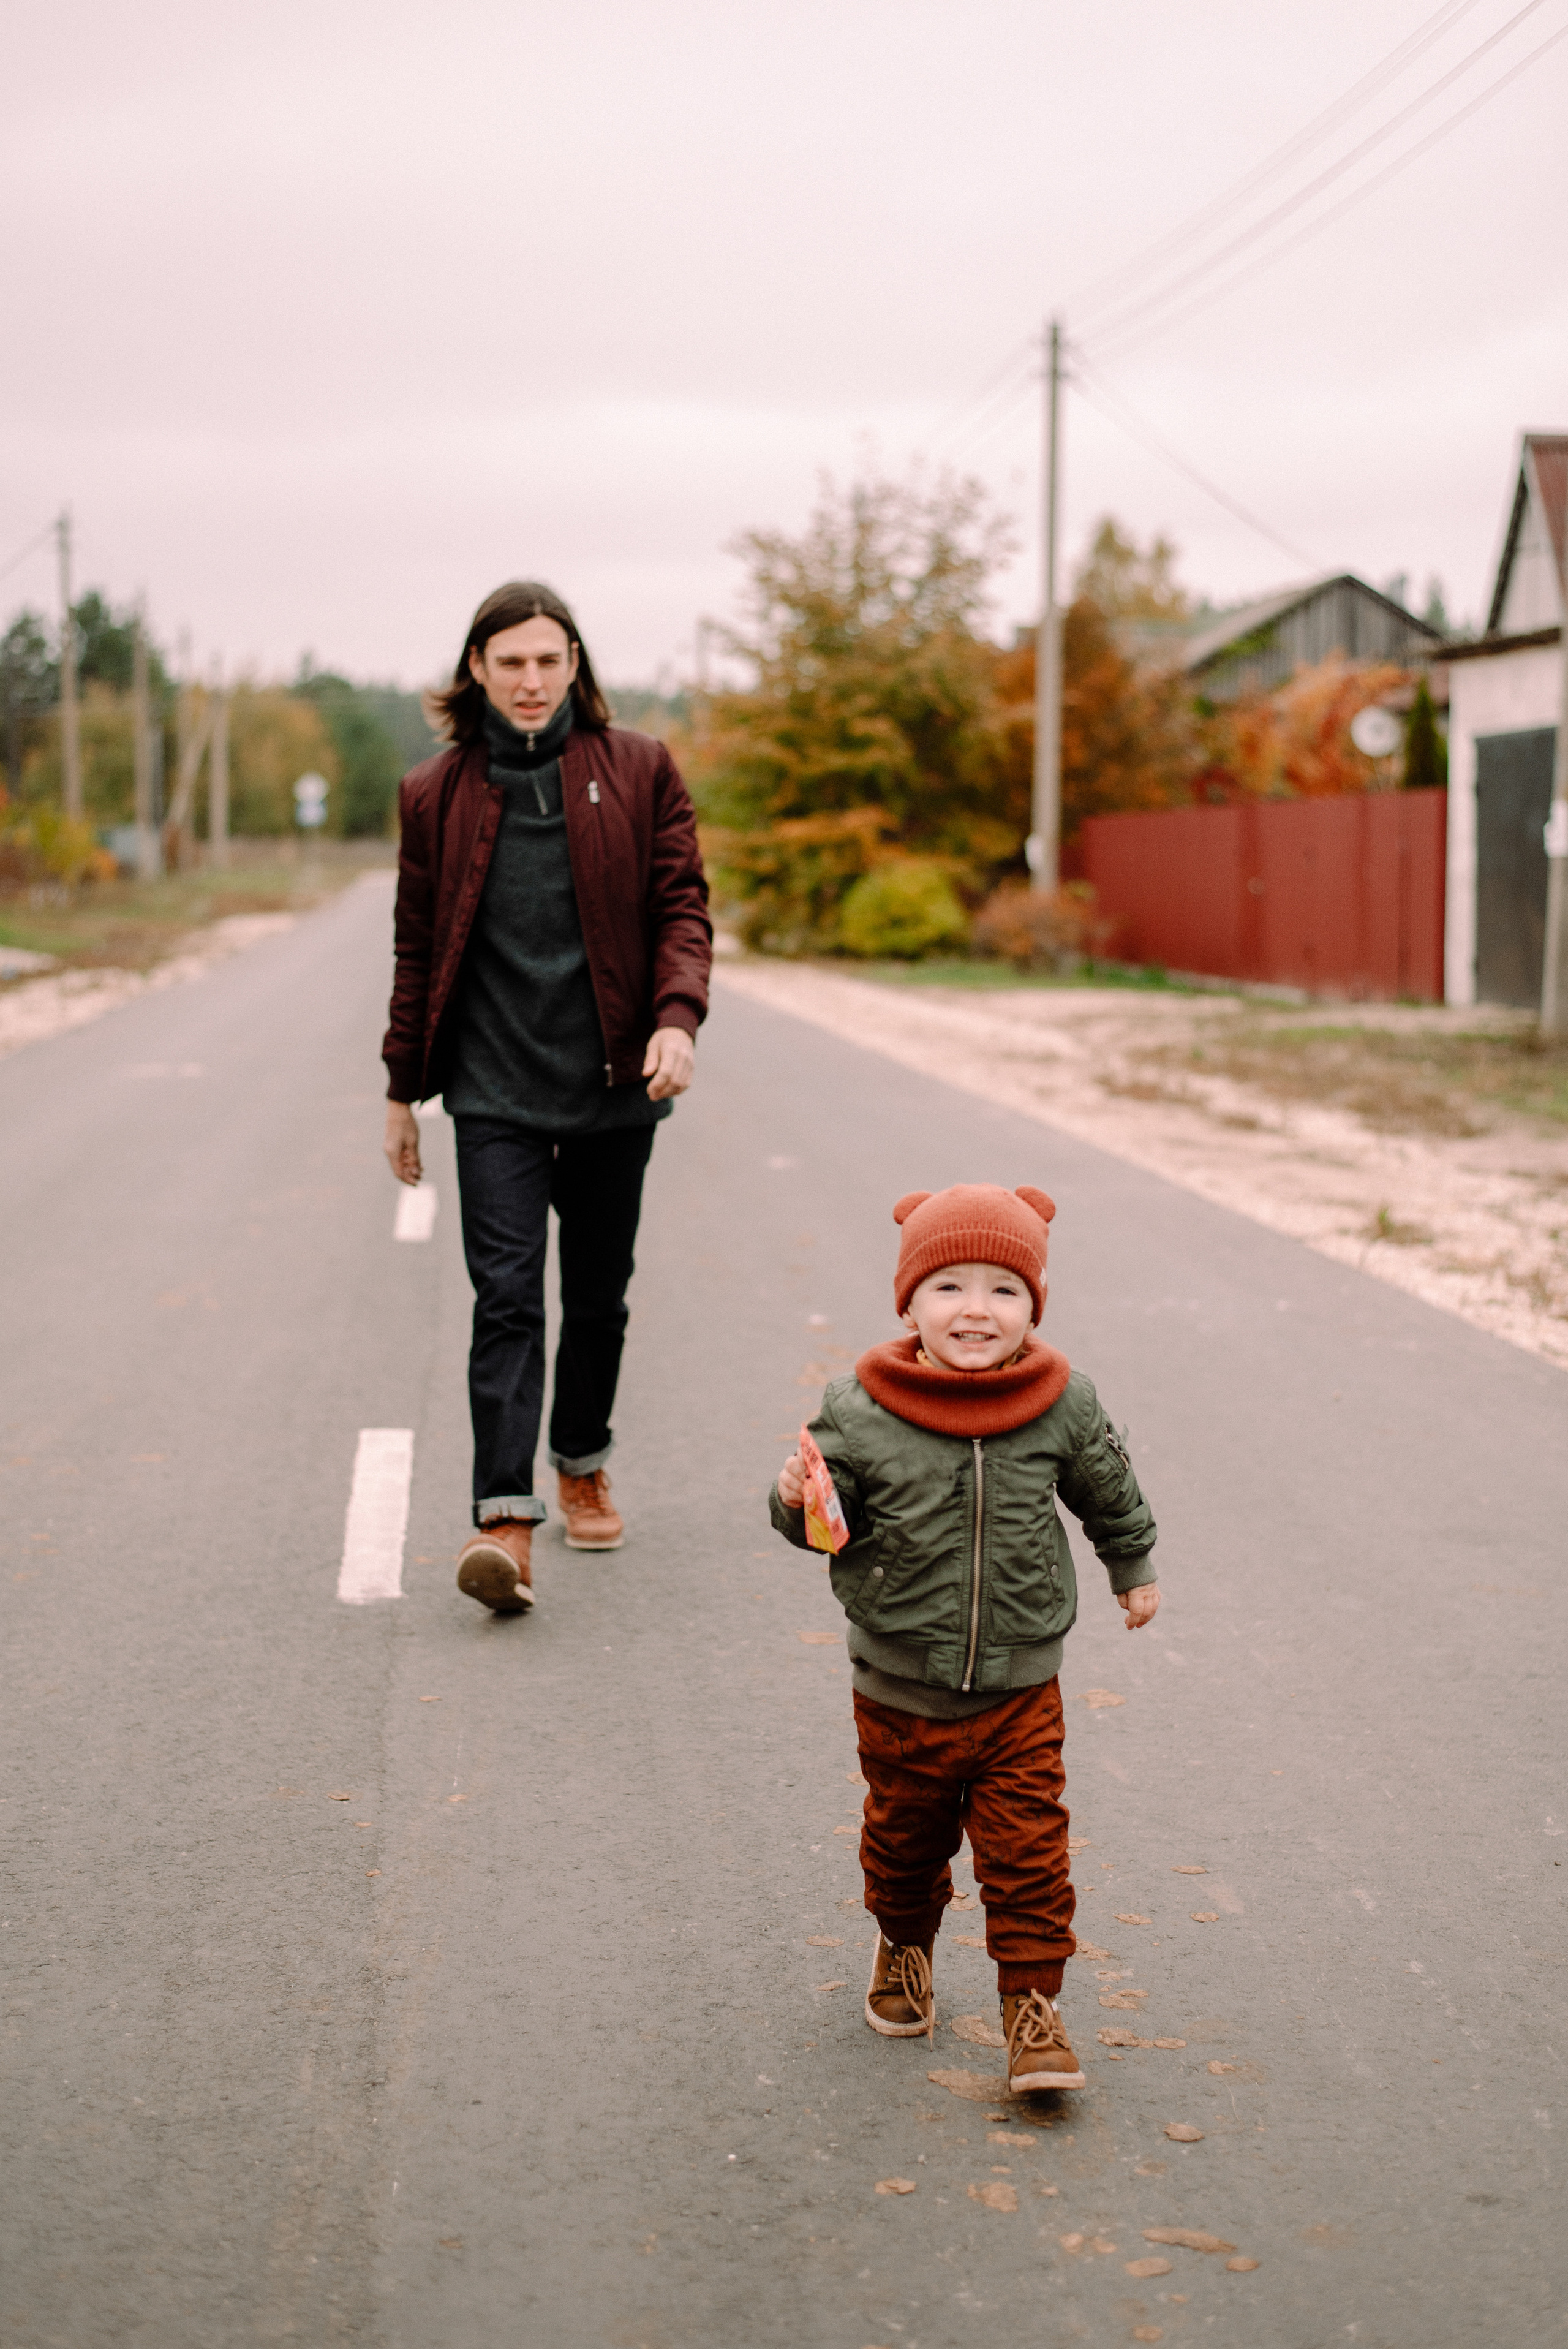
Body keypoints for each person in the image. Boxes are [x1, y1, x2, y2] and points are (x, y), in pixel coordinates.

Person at [769, 1183, 1159, 2097]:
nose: (976, 1310)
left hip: (1022, 1688)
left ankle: (1033, 2006)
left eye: (1004, 1290)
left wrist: (1132, 1564)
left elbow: (1107, 1485)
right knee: (905, 1840)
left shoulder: (1060, 1399)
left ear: (1035, 1305)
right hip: (900, 1687)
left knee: (1029, 1850)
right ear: (908, 1300)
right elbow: (832, 1526)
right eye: (949, 1287)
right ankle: (904, 1944)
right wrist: (799, 1500)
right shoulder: (860, 1406)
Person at [382, 581, 711, 1616]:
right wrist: (401, 1090)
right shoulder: (434, 792)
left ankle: (580, 1457)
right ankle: (505, 1523)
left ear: (577, 665)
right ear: (476, 668)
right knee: (509, 1299)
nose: (530, 681)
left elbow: (681, 907)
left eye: (548, 660)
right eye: (509, 661)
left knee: (599, 1295)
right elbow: (415, 948)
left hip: (616, 1080)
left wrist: (676, 1017)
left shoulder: (641, 768)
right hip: (494, 1092)